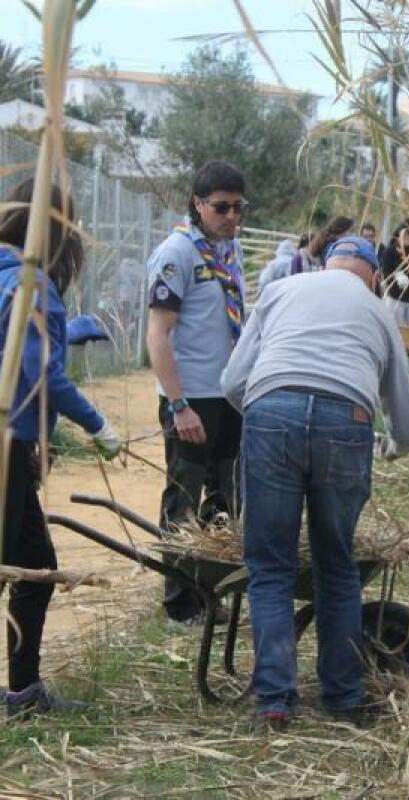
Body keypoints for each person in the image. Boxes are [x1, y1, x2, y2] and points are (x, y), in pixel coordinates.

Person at [221, 235, 409, 731]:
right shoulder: (378, 311)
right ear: (373, 276)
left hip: (271, 409)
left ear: (327, 263)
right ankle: (343, 697)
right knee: (337, 566)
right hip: (346, 418)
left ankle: (274, 701)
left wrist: (268, 414)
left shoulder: (283, 289)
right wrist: (390, 446)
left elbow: (231, 383)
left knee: (270, 568)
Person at [0, 179, 122, 716]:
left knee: (32, 564)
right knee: (24, 567)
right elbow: (41, 375)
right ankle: (23, 694)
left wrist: (64, 330)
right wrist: (97, 426)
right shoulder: (33, 285)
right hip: (5, 450)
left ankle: (25, 694)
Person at [146, 160, 248, 626]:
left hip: (228, 395)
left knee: (223, 499)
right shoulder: (177, 253)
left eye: (238, 207)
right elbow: (158, 335)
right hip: (192, 398)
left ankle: (211, 596)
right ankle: (180, 603)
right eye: (222, 207)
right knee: (183, 500)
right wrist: (178, 404)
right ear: (198, 204)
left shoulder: (231, 253)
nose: (231, 216)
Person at [379, 218, 409, 329]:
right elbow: (386, 276)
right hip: (395, 298)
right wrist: (397, 276)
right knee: (397, 331)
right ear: (401, 234)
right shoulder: (390, 252)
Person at [289, 216, 353, 277]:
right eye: (349, 231)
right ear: (342, 230)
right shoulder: (332, 246)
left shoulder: (323, 238)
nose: (350, 234)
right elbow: (331, 269)